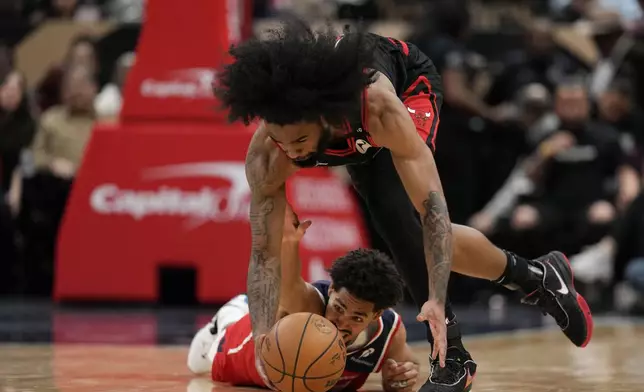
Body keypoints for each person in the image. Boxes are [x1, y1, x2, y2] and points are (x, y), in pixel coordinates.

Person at [214, 19, 593, 392]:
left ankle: (453, 359)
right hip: (352, 129)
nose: (292, 151)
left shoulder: (378, 110)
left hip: (408, 83)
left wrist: (438, 301)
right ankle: (537, 278)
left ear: (322, 117)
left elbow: (434, 214)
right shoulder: (268, 154)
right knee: (391, 218)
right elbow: (265, 255)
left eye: (299, 140)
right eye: (282, 142)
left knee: (398, 219)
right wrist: (264, 335)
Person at [188, 205, 420, 392]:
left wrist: (398, 379)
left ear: (375, 315)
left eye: (357, 317)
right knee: (195, 365)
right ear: (331, 291)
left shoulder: (389, 333)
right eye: (338, 308)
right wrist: (290, 243)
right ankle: (229, 316)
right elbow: (289, 280)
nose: (341, 322)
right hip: (235, 345)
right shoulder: (307, 304)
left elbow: (410, 364)